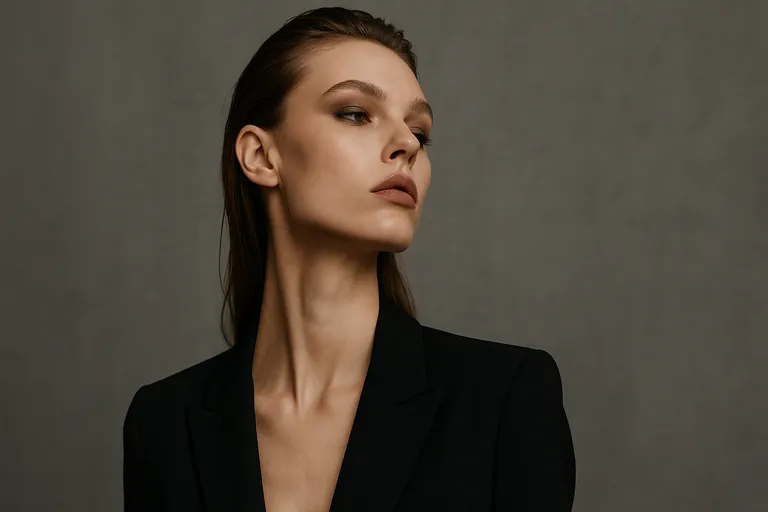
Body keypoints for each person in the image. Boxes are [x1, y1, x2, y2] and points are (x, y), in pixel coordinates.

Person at [122, 6, 576, 511]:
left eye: (420, 133)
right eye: (355, 113)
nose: (406, 144)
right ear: (260, 156)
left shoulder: (503, 399)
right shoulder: (165, 422)